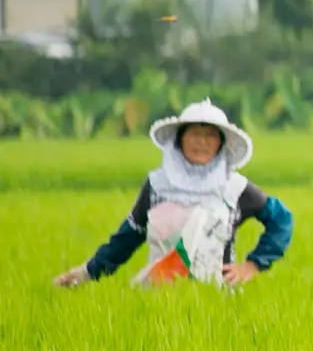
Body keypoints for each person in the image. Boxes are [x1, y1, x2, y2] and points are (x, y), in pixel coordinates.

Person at [54, 98, 294, 289]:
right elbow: (127, 238)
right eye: (195, 134)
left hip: (216, 301)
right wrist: (85, 273)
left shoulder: (234, 188)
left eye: (210, 135)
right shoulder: (158, 184)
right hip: (159, 298)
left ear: (221, 142)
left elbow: (282, 220)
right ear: (179, 138)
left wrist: (253, 264)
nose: (202, 142)